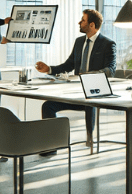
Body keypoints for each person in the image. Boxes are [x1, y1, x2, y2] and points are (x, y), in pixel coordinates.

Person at [34, 9, 116, 154]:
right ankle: (52, 146)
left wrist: (90, 76)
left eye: (82, 20)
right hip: (76, 93)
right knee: (48, 106)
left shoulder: (108, 44)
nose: (79, 22)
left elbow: (111, 69)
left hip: (94, 93)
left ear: (91, 25)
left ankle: (90, 140)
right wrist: (49, 69)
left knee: (90, 103)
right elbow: (68, 65)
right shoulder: (79, 42)